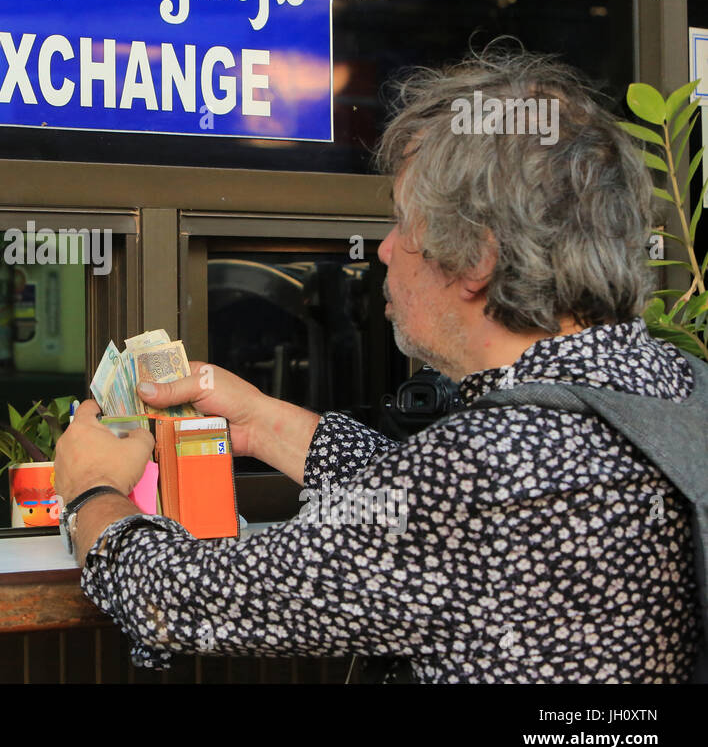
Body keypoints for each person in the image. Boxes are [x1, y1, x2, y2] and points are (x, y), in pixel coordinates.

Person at [53, 46, 703, 682]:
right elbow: (452, 511)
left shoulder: (474, 480)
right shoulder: (677, 393)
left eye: (402, 224)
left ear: (476, 259)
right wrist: (266, 424)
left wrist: (94, 492)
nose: (386, 249)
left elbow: (178, 599)